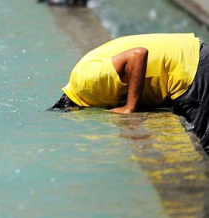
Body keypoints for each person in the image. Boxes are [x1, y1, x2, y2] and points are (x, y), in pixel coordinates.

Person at [53, 33, 209, 150]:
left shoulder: (86, 84)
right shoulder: (81, 81)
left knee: (203, 146)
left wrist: (130, 107)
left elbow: (138, 55)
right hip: (187, 55)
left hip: (188, 67)